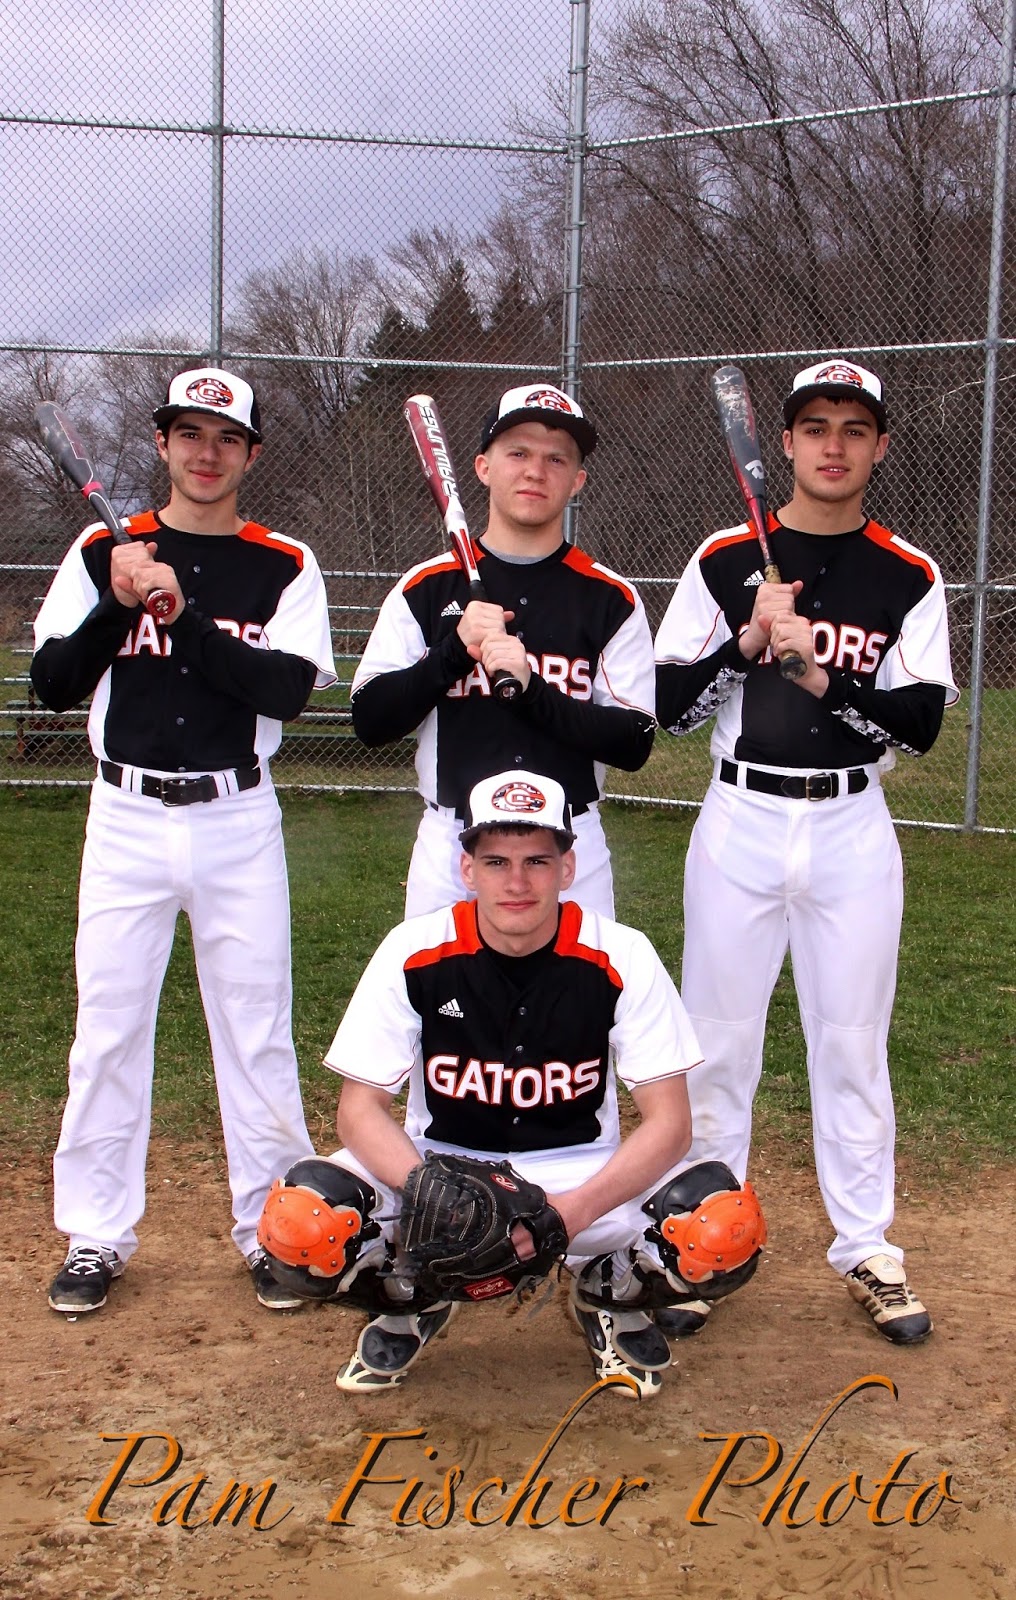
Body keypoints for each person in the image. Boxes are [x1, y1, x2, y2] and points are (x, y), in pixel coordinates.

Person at [256, 769, 766, 1399]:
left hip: (580, 1177)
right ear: (466, 868)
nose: (517, 882)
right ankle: (417, 1293)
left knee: (721, 1223)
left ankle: (609, 1289)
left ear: (568, 867)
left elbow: (670, 1124)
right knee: (301, 1221)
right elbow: (359, 1111)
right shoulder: (414, 951)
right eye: (495, 860)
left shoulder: (621, 954)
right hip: (440, 1170)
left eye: (537, 861)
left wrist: (570, 1213)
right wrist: (426, 1192)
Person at [654, 359, 958, 1345]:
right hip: (738, 818)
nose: (832, 443)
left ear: (877, 446)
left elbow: (915, 724)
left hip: (848, 826)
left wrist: (821, 677)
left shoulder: (905, 572)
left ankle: (866, 1248)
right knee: (718, 1040)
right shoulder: (719, 556)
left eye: (852, 427)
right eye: (813, 425)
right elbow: (667, 707)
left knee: (849, 1042)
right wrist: (744, 644)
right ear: (779, 442)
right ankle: (698, 1238)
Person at [32, 366, 337, 1315]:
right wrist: (123, 601)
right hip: (123, 815)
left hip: (237, 817)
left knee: (255, 1032)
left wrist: (184, 615)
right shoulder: (100, 549)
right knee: (108, 1030)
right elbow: (51, 681)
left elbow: (285, 692)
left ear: (250, 455)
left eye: (226, 438)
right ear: (161, 444)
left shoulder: (284, 561)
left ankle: (278, 1230)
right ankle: (94, 1234)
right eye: (189, 434)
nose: (206, 453)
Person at [351, 384, 657, 918]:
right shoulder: (425, 587)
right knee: (436, 997)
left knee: (578, 1000)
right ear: (482, 467)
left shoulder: (611, 598)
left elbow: (633, 743)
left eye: (556, 458)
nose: (536, 471)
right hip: (453, 842)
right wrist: (455, 651)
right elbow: (372, 720)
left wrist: (534, 691)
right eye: (518, 453)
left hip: (568, 843)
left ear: (577, 480)